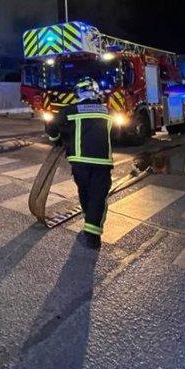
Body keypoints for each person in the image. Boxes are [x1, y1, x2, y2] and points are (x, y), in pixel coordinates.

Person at [45, 76, 113, 250]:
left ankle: (89, 224)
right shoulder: (106, 111)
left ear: (78, 93)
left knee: (85, 193)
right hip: (102, 162)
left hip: (79, 162)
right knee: (99, 197)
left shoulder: (69, 111)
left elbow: (51, 127)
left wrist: (57, 140)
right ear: (96, 92)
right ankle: (93, 235)